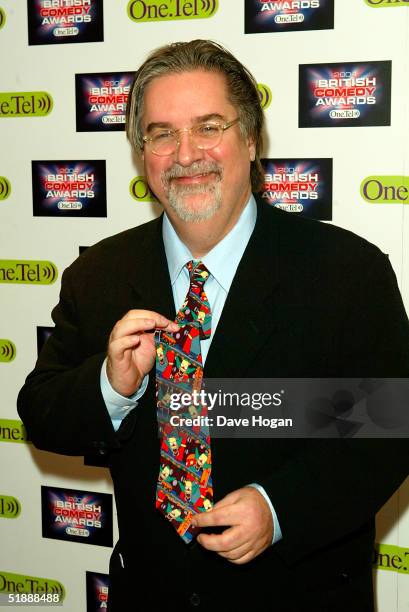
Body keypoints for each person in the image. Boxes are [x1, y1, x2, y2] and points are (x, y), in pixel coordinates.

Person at [18, 40, 409, 611]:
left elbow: (390, 425)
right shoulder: (98, 274)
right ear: (141, 152)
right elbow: (42, 412)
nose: (186, 153)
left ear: (251, 140)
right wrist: (112, 386)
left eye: (209, 126)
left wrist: (279, 510)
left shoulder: (345, 271)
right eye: (161, 133)